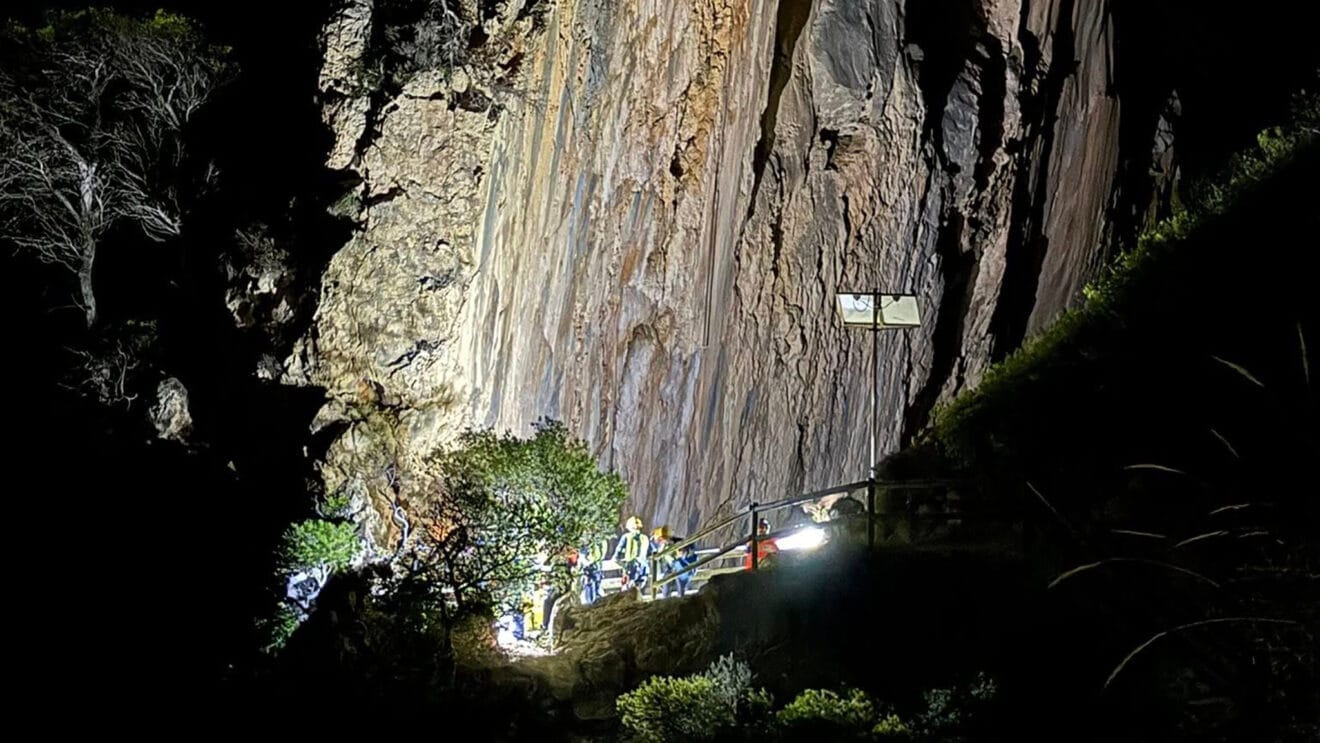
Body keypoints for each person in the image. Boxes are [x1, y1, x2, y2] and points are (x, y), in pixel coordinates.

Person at [612, 515, 649, 590]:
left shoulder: (626, 537)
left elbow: (617, 554)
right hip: (643, 567)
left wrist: (621, 563)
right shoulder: (645, 538)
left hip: (631, 566)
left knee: (627, 589)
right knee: (639, 590)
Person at [578, 537, 608, 604]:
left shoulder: (596, 544)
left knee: (594, 585)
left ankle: (593, 601)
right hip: (591, 568)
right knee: (590, 585)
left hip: (594, 567)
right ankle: (591, 602)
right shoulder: (587, 547)